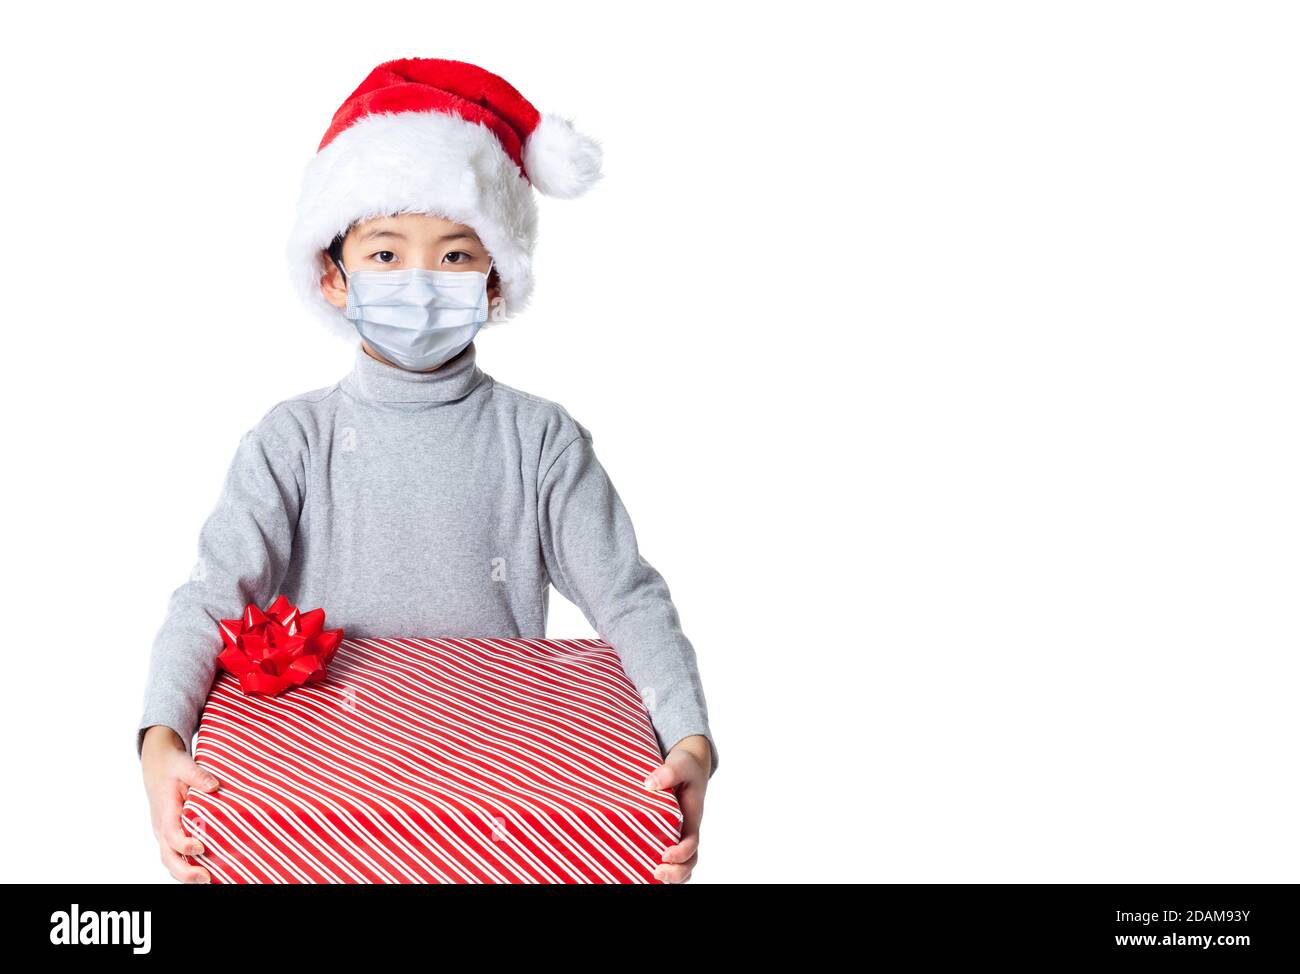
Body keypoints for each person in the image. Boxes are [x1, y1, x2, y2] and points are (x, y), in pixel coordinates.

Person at [137, 57, 718, 885]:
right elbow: (210, 597)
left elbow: (628, 597)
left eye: (454, 256)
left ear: (494, 281)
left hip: (502, 821)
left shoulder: (540, 441)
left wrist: (689, 737)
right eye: (384, 253)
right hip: (321, 818)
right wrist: (162, 739)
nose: (419, 281)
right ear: (333, 275)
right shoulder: (291, 440)